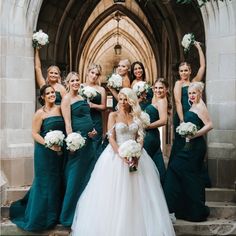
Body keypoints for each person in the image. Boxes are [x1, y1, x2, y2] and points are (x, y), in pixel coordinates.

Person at [71, 88, 176, 236]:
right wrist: (121, 154)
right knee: (114, 194)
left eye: (125, 99)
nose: (122, 102)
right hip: (116, 156)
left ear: (131, 100)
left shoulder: (136, 116)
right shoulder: (113, 115)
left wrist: (137, 153)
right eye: (120, 99)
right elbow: (111, 137)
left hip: (137, 156)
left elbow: (140, 137)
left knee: (139, 193)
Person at [10, 85, 65, 231]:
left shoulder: (60, 109)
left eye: (53, 92)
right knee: (44, 183)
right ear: (42, 97)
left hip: (60, 152)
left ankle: (53, 216)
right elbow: (34, 133)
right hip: (45, 152)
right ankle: (40, 218)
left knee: (56, 182)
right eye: (48, 93)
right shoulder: (39, 113)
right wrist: (49, 144)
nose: (52, 95)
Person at [163, 82, 213, 222]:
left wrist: (195, 134)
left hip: (196, 147)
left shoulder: (201, 106)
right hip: (190, 145)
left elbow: (210, 125)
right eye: (190, 93)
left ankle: (174, 208)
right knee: (190, 176)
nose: (191, 95)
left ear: (199, 93)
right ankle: (186, 209)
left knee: (176, 169)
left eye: (194, 93)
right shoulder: (193, 106)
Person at [169, 41, 211, 187]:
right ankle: (179, 178)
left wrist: (198, 47)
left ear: (190, 71)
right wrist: (182, 120)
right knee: (182, 145)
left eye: (186, 70)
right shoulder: (178, 84)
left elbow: (203, 67)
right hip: (183, 116)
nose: (184, 73)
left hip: (195, 116)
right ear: (179, 73)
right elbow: (178, 102)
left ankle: (195, 175)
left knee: (195, 143)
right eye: (181, 71)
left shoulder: (194, 82)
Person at [60, 72, 97, 227]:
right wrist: (72, 142)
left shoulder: (82, 97)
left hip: (89, 142)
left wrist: (93, 131)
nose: (75, 82)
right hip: (78, 143)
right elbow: (68, 123)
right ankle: (67, 215)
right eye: (72, 80)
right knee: (75, 178)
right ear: (67, 83)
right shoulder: (66, 99)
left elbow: (87, 117)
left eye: (77, 80)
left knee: (87, 177)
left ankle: (84, 212)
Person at [143, 78, 172, 186]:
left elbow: (164, 120)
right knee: (154, 164)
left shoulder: (161, 101)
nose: (158, 90)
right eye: (156, 88)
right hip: (151, 135)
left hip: (150, 136)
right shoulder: (156, 100)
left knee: (146, 164)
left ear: (166, 89)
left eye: (161, 88)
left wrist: (146, 126)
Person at [81, 63, 106, 152]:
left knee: (95, 147)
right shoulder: (80, 87)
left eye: (97, 74)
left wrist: (93, 105)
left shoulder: (101, 89)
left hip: (96, 120)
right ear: (87, 72)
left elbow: (104, 107)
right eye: (92, 72)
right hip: (83, 119)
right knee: (83, 146)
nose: (94, 76)